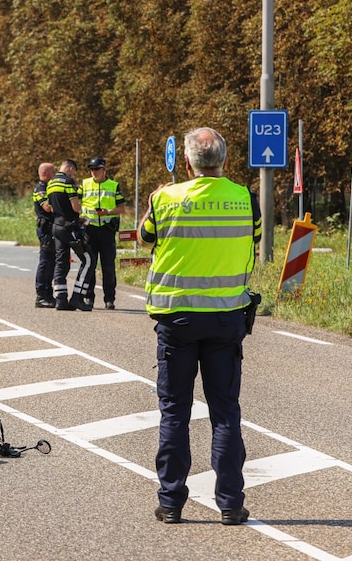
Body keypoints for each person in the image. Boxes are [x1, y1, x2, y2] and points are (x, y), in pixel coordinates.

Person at [138, 127, 261, 526]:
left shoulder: (164, 198)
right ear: (224, 161)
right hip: (227, 318)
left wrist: (158, 198)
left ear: (187, 162)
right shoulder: (246, 199)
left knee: (174, 411)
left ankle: (171, 503)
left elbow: (144, 238)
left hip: (176, 319)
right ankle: (230, 504)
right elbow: (253, 243)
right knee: (225, 413)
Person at [79, 157, 126, 310]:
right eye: (91, 169)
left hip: (107, 230)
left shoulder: (113, 185)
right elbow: (76, 204)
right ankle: (88, 297)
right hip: (89, 229)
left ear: (104, 169)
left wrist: (107, 212)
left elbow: (122, 208)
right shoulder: (85, 184)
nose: (94, 172)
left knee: (108, 266)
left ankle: (109, 299)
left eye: (97, 169)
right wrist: (79, 218)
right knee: (90, 264)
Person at [46, 159, 92, 311]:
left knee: (61, 262)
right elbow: (75, 207)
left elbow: (52, 208)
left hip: (56, 226)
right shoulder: (68, 182)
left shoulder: (51, 183)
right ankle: (77, 297)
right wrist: (79, 216)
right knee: (88, 259)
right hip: (69, 227)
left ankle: (60, 299)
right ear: (70, 168)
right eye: (73, 171)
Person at [32, 162, 57, 308]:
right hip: (45, 229)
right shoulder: (40, 189)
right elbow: (47, 207)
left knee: (51, 262)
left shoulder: (48, 187)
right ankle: (41, 295)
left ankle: (48, 293)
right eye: (53, 172)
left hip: (51, 229)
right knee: (45, 261)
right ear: (45, 174)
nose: (55, 174)